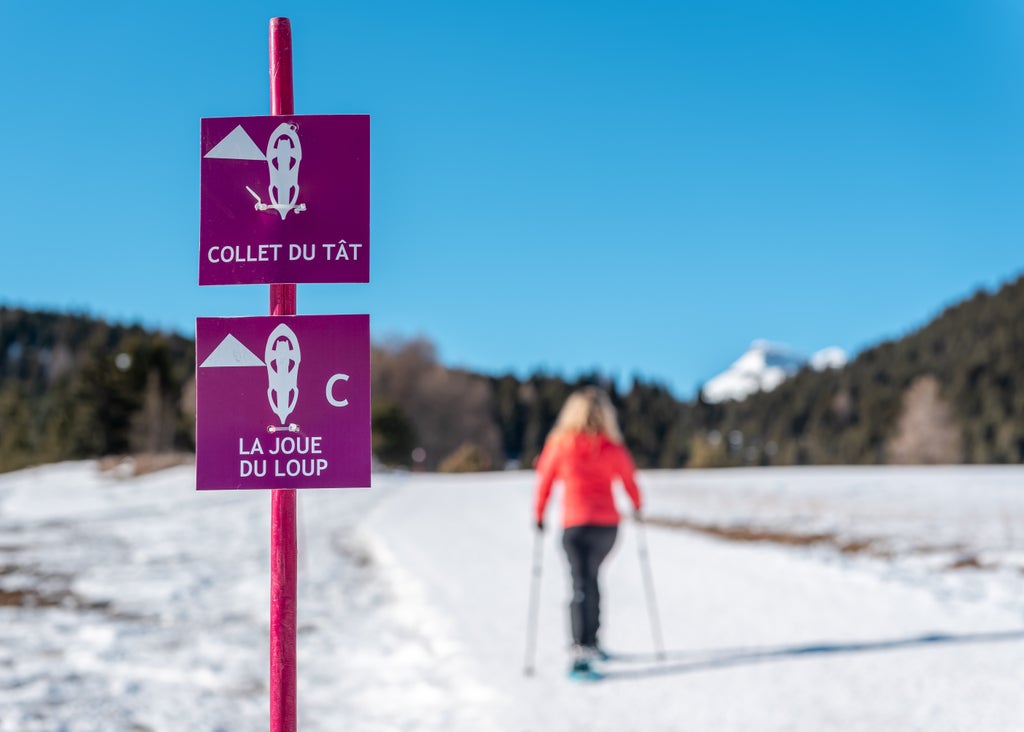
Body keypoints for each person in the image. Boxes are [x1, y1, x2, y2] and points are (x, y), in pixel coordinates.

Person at [534, 386, 642, 677]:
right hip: (607, 527)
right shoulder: (612, 446)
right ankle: (591, 641)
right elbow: (629, 480)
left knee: (581, 584)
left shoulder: (560, 444)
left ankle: (582, 650)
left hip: (577, 525)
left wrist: (539, 514)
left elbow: (544, 479)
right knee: (591, 580)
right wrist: (636, 505)